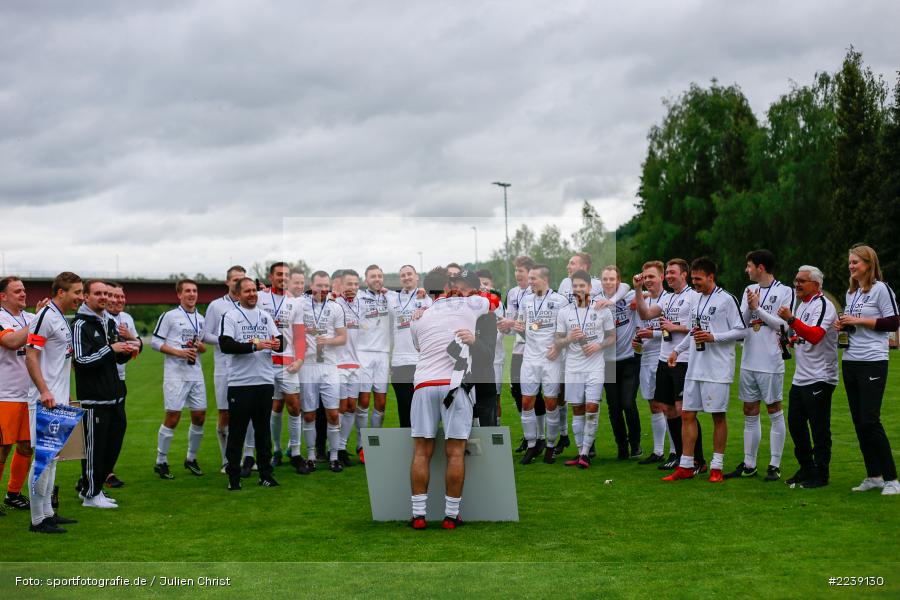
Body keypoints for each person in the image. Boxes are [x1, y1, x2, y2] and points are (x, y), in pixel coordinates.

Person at [408, 268, 490, 530]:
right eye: (453, 282)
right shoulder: (469, 304)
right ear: (446, 285)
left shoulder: (418, 317)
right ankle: (451, 516)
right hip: (455, 384)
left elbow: (419, 347)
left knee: (422, 451)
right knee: (455, 452)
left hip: (423, 384)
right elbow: (490, 300)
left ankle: (418, 515)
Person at [666, 258, 745, 482]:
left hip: (718, 369)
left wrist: (714, 337)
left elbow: (741, 331)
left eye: (698, 279)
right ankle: (686, 465)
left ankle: (717, 468)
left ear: (711, 277)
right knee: (687, 414)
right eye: (692, 279)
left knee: (718, 416)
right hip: (695, 366)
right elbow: (694, 330)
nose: (695, 283)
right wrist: (678, 350)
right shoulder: (696, 299)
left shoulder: (727, 300)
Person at [726, 250, 794, 481]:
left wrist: (758, 309)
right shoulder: (749, 291)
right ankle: (749, 463)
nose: (747, 270)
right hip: (748, 361)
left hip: (771, 361)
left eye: (749, 266)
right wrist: (749, 306)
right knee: (749, 411)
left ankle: (774, 465)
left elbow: (784, 326)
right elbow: (741, 324)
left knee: (774, 409)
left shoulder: (785, 291)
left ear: (761, 267)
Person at [837, 245, 899, 495]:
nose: (851, 267)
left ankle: (892, 479)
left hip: (873, 360)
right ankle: (874, 475)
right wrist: (842, 324)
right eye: (850, 262)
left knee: (871, 419)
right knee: (859, 421)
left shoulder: (881, 289)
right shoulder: (851, 293)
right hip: (851, 359)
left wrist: (858, 320)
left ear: (868, 263)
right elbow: (855, 326)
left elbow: (894, 321)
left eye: (855, 262)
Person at [634, 259, 704, 472]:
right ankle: (681, 456)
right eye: (669, 273)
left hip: (683, 359)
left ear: (684, 274)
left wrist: (674, 327)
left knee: (684, 411)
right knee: (667, 409)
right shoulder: (669, 299)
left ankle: (698, 460)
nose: (671, 276)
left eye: (673, 273)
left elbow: (697, 327)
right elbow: (645, 314)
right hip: (664, 359)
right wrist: (637, 290)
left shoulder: (694, 297)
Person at [25, 272, 83, 532]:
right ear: (61, 292)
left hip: (58, 399)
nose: (80, 297)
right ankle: (38, 520)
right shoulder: (45, 316)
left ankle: (48, 511)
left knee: (54, 458)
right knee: (44, 459)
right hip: (44, 400)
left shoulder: (60, 318)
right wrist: (45, 391)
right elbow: (30, 355)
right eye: (77, 292)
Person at [72, 280, 133, 508]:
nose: (104, 297)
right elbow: (81, 360)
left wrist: (125, 351)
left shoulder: (107, 321)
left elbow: (114, 356)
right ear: (86, 297)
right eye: (98, 293)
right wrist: (111, 349)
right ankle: (90, 494)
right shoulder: (80, 325)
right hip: (93, 398)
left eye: (106, 293)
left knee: (112, 446)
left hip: (115, 395)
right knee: (94, 449)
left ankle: (94, 487)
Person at [219, 277, 283, 490]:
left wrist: (276, 344)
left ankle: (266, 474)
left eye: (254, 290)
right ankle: (233, 478)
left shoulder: (265, 316)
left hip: (264, 381)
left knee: (263, 431)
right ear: (238, 295)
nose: (252, 294)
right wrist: (254, 346)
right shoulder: (231, 316)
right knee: (237, 431)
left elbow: (281, 342)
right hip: (241, 383)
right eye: (247, 291)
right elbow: (226, 345)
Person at [778, 266, 838, 488]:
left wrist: (791, 320)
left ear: (816, 284)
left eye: (802, 281)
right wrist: (789, 341)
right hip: (801, 377)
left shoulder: (824, 305)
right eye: (796, 280)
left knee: (819, 427)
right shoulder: (802, 305)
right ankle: (806, 467)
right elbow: (803, 337)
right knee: (795, 424)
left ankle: (821, 474)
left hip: (820, 376)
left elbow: (815, 336)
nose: (797, 284)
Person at [555, 270, 615, 468]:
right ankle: (581, 451)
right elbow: (557, 340)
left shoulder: (602, 310)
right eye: (575, 286)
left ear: (589, 287)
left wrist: (599, 346)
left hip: (595, 366)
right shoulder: (564, 312)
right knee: (577, 409)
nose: (579, 289)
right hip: (573, 366)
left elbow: (612, 336)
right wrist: (569, 339)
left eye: (582, 285)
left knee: (592, 407)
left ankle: (585, 453)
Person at [150, 279, 208, 479]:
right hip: (175, 374)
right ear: (179, 295)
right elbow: (155, 343)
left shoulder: (201, 318)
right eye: (188, 291)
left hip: (195, 372)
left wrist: (199, 347)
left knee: (200, 416)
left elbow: (202, 346)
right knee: (173, 417)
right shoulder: (169, 316)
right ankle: (161, 460)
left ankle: (191, 458)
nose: (192, 294)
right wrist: (178, 352)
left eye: (194, 291)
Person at [0, 278, 45, 513]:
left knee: (27, 446)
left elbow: (39, 350)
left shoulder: (29, 318)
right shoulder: (1, 318)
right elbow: (11, 341)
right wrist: (40, 320)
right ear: (3, 296)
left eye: (24, 290)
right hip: (4, 394)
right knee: (2, 447)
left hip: (29, 395)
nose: (23, 294)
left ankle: (13, 494)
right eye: (17, 291)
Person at [516, 265, 569, 465]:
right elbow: (524, 329)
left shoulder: (560, 301)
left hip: (551, 359)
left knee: (550, 403)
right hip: (530, 358)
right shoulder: (526, 300)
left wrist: (558, 346)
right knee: (527, 402)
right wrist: (519, 328)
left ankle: (551, 445)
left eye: (533, 279)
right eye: (529, 279)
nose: (529, 282)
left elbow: (567, 330)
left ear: (545, 279)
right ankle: (531, 445)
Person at [258, 262, 306, 468]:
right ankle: (275, 449)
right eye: (279, 274)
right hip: (264, 362)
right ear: (271, 276)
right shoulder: (260, 298)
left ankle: (295, 451)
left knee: (294, 406)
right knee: (273, 407)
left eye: (286, 275)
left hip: (288, 363)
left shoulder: (295, 303)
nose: (283, 278)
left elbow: (299, 336)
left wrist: (300, 359)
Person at [200, 265, 246, 473]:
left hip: (248, 366)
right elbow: (205, 335)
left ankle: (248, 456)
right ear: (227, 282)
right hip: (224, 367)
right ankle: (227, 460)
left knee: (248, 413)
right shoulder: (216, 306)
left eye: (242, 279)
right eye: (235, 279)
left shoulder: (253, 304)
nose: (238, 282)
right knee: (225, 414)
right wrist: (226, 341)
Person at [299, 271, 347, 473]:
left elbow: (343, 338)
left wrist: (327, 340)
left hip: (329, 366)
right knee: (309, 415)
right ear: (311, 285)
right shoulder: (300, 305)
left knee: (333, 414)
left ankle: (334, 456)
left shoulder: (335, 307)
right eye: (318, 285)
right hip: (308, 367)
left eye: (325, 285)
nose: (322, 289)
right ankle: (310, 456)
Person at [497, 256, 546, 452]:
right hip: (518, 349)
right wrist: (504, 326)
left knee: (536, 394)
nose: (518, 274)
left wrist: (518, 324)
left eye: (521, 271)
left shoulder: (537, 293)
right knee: (517, 391)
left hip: (535, 349)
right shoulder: (513, 293)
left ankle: (541, 437)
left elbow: (539, 324)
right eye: (516, 270)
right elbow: (509, 324)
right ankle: (529, 436)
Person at [631, 261, 673, 465]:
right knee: (653, 404)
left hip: (665, 355)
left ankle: (675, 451)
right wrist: (638, 340)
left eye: (652, 277)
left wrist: (654, 333)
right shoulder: (643, 299)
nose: (648, 280)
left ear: (662, 277)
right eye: (645, 277)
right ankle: (658, 451)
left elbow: (674, 329)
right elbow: (641, 323)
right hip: (646, 356)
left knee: (668, 405)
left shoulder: (669, 300)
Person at [600, 265, 643, 460]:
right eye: (605, 279)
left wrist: (612, 300)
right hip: (607, 362)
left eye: (612, 279)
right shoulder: (596, 299)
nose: (608, 282)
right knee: (613, 406)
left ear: (618, 280)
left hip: (629, 359)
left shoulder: (628, 294)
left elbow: (627, 286)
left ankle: (635, 444)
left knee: (628, 403)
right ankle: (622, 446)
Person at [104, 282, 141, 488]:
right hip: (101, 382)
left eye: (121, 296)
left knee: (118, 428)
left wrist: (130, 338)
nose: (119, 300)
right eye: (114, 296)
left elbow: (136, 346)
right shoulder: (100, 317)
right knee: (102, 430)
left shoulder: (127, 318)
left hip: (120, 380)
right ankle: (94, 475)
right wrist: (128, 345)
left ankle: (106, 471)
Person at [452, 270, 499, 426]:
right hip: (459, 386)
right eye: (457, 289)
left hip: (483, 385)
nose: (460, 294)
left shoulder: (488, 316)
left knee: (486, 435)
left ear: (476, 292)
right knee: (461, 438)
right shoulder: (450, 314)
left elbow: (489, 355)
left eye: (465, 289)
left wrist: (474, 341)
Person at [388, 265, 432, 428]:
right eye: (403, 275)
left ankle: (425, 443)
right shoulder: (392, 299)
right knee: (404, 406)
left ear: (416, 276)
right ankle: (408, 447)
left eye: (409, 274)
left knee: (423, 407)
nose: (406, 277)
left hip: (420, 361)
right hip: (399, 362)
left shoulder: (427, 298)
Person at [355, 265, 391, 456]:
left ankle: (375, 442)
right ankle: (361, 445)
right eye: (373, 276)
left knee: (381, 403)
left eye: (379, 275)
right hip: (364, 353)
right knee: (364, 400)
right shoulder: (358, 298)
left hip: (383, 354)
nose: (377, 279)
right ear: (366, 279)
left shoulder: (390, 297)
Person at [335, 270, 363, 467]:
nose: (352, 288)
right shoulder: (334, 305)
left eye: (355, 284)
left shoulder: (363, 305)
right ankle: (334, 449)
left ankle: (343, 447)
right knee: (339, 408)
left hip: (356, 364)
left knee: (352, 407)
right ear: (341, 286)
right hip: (337, 364)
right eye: (348, 284)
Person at [477, 269, 506, 405]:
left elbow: (503, 330)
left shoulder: (498, 303)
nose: (483, 286)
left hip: (495, 358)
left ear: (492, 284)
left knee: (495, 397)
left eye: (486, 283)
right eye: (480, 284)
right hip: (476, 358)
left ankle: (496, 423)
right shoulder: (472, 303)